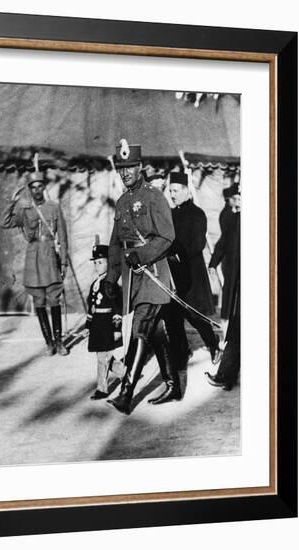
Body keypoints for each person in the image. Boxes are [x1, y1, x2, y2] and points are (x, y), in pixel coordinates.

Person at [104, 139, 175, 415]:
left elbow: (167, 236)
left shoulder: (154, 197)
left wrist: (142, 254)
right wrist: (111, 278)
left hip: (154, 274)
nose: (125, 174)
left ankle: (125, 394)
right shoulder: (122, 202)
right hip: (133, 280)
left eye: (130, 168)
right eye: (121, 169)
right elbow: (114, 244)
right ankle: (173, 385)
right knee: (154, 333)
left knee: (139, 331)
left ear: (141, 167)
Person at [1, 170, 69, 356]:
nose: (37, 190)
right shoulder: (25, 210)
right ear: (30, 190)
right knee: (39, 300)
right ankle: (49, 344)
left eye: (40, 186)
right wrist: (12, 202)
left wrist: (63, 262)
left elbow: (62, 236)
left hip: (49, 256)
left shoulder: (54, 208)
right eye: (33, 187)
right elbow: (5, 222)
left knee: (54, 298)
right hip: (33, 257)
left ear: (44, 187)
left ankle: (59, 342)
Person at [167, 172, 222, 365]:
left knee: (194, 313)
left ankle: (213, 344)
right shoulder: (171, 214)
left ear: (186, 190)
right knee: (173, 315)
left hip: (191, 272)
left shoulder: (197, 214)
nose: (172, 194)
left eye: (175, 190)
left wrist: (177, 256)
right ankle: (182, 351)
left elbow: (198, 244)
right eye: (170, 190)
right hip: (173, 272)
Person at [85, 242, 124, 400]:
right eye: (95, 263)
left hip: (107, 325)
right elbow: (91, 307)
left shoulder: (111, 284)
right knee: (105, 357)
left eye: (100, 262)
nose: (97, 266)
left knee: (103, 358)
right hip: (97, 326)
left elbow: (117, 308)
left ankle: (102, 389)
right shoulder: (95, 283)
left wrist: (116, 329)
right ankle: (126, 373)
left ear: (109, 262)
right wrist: (88, 326)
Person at [209, 185, 241, 321]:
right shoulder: (230, 217)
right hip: (232, 267)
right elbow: (224, 241)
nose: (237, 202)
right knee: (229, 303)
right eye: (235, 198)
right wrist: (213, 263)